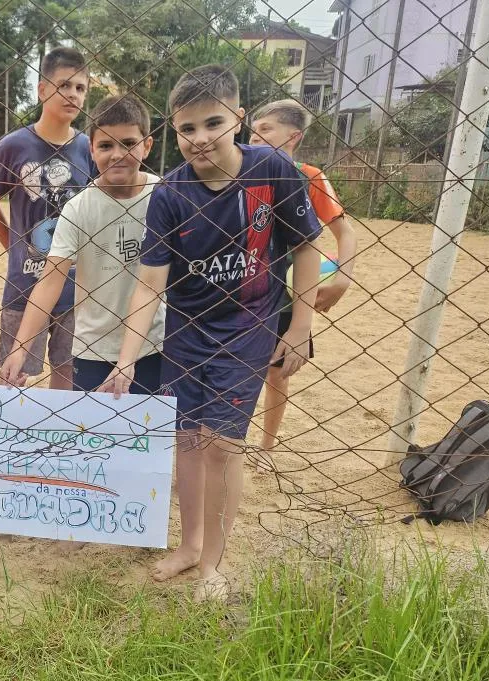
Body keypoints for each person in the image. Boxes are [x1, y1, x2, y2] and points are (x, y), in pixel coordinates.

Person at [101, 65, 323, 600]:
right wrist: (127, 360)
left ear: (240, 120)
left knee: (223, 446)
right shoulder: (171, 195)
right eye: (187, 129)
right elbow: (148, 287)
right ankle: (191, 545)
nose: (199, 138)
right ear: (174, 132)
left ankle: (213, 568)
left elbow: (307, 246)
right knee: (188, 442)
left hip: (249, 326)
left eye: (212, 123)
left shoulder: (273, 169)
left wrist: (300, 325)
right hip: (187, 331)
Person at [0, 95, 165, 394]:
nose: (117, 154)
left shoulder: (163, 196)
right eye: (105, 146)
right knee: (92, 436)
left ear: (147, 145)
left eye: (128, 143)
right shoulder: (78, 208)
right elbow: (50, 282)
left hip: (153, 345)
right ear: (91, 149)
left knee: (147, 435)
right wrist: (20, 349)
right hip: (93, 348)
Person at [249, 100, 358, 469]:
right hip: (242, 287)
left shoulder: (309, 176)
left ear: (293, 136)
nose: (254, 135)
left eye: (265, 129)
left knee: (277, 372)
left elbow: (345, 232)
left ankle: (266, 447)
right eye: (253, 128)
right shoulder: (239, 171)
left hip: (285, 293)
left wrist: (343, 276)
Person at [0, 47, 95, 391]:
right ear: (42, 89)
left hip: (75, 288)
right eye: (64, 85)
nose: (72, 94)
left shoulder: (89, 147)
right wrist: (13, 245)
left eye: (80, 87)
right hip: (24, 283)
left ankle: (59, 445)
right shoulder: (14, 146)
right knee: (14, 377)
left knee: (67, 375)